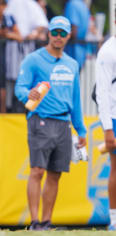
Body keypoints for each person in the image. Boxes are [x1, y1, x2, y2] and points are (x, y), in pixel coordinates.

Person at [14, 16, 86, 230]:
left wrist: (80, 129)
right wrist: (30, 93)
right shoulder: (33, 59)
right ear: (48, 33)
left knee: (55, 174)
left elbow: (76, 99)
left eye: (62, 33)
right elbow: (19, 88)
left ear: (68, 36)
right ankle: (34, 222)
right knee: (37, 171)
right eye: (54, 32)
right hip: (41, 120)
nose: (58, 37)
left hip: (64, 123)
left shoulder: (72, 64)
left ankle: (46, 222)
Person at [94, 15, 116, 230]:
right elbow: (102, 93)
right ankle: (114, 220)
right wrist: (108, 129)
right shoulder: (108, 51)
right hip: (115, 118)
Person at [64, 0, 90, 70]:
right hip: (81, 51)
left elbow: (74, 28)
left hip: (73, 51)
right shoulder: (83, 5)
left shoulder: (72, 4)